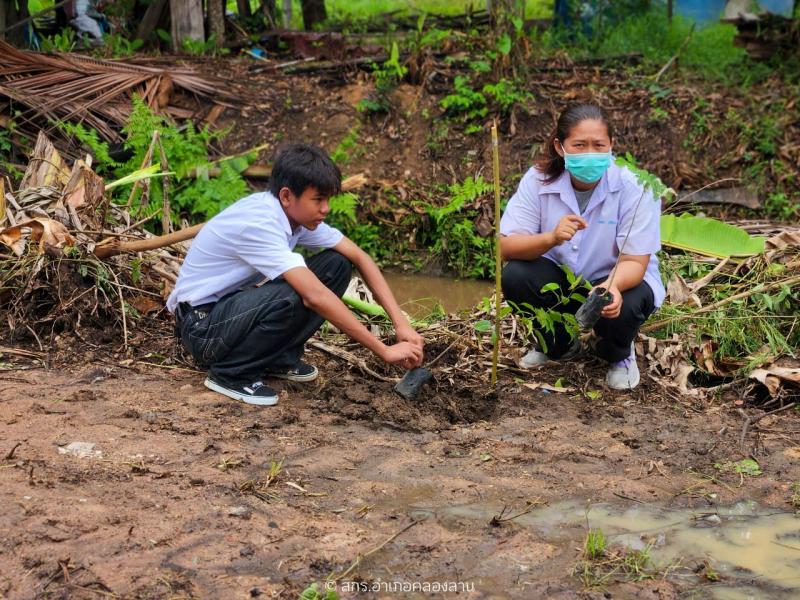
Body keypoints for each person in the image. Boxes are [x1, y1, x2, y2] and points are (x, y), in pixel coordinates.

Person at [167, 144, 424, 405]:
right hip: (202, 328)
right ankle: (232, 373)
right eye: (318, 199)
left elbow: (359, 256)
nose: (326, 209)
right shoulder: (260, 224)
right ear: (287, 196)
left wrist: (401, 323)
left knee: (337, 264)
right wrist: (383, 350)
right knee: (297, 291)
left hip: (227, 314)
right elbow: (314, 296)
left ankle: (277, 358)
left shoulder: (296, 218)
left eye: (328, 200)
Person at [499, 104, 664, 390]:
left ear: (612, 145)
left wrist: (611, 285)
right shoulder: (537, 180)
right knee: (515, 275)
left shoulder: (636, 188)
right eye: (579, 145)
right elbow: (506, 246)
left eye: (599, 145)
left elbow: (635, 262)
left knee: (622, 306)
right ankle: (559, 346)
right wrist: (550, 238)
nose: (590, 153)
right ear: (560, 147)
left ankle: (618, 355)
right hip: (563, 283)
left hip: (618, 280)